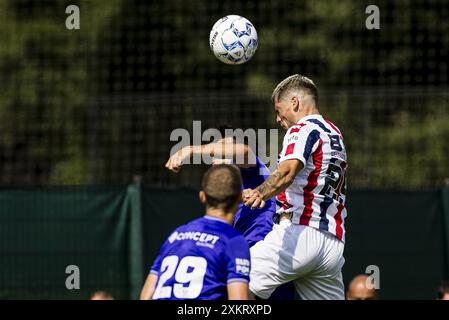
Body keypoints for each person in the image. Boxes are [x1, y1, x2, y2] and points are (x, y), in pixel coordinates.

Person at [243, 74, 348, 300]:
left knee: (236, 280)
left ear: (294, 102)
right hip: (332, 244)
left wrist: (259, 192)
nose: (278, 119)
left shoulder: (302, 129)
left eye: (278, 110)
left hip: (300, 233)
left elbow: (287, 172)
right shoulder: (335, 132)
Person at [165, 126, 296, 299]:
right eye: (215, 151)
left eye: (223, 148)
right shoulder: (227, 188)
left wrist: (189, 150)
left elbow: (244, 151)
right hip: (261, 258)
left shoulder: (251, 167)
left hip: (265, 252)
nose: (217, 154)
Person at [140, 164, 250, 300]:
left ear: (202, 196)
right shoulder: (234, 241)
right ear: (240, 197)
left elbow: (146, 295)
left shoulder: (176, 236)